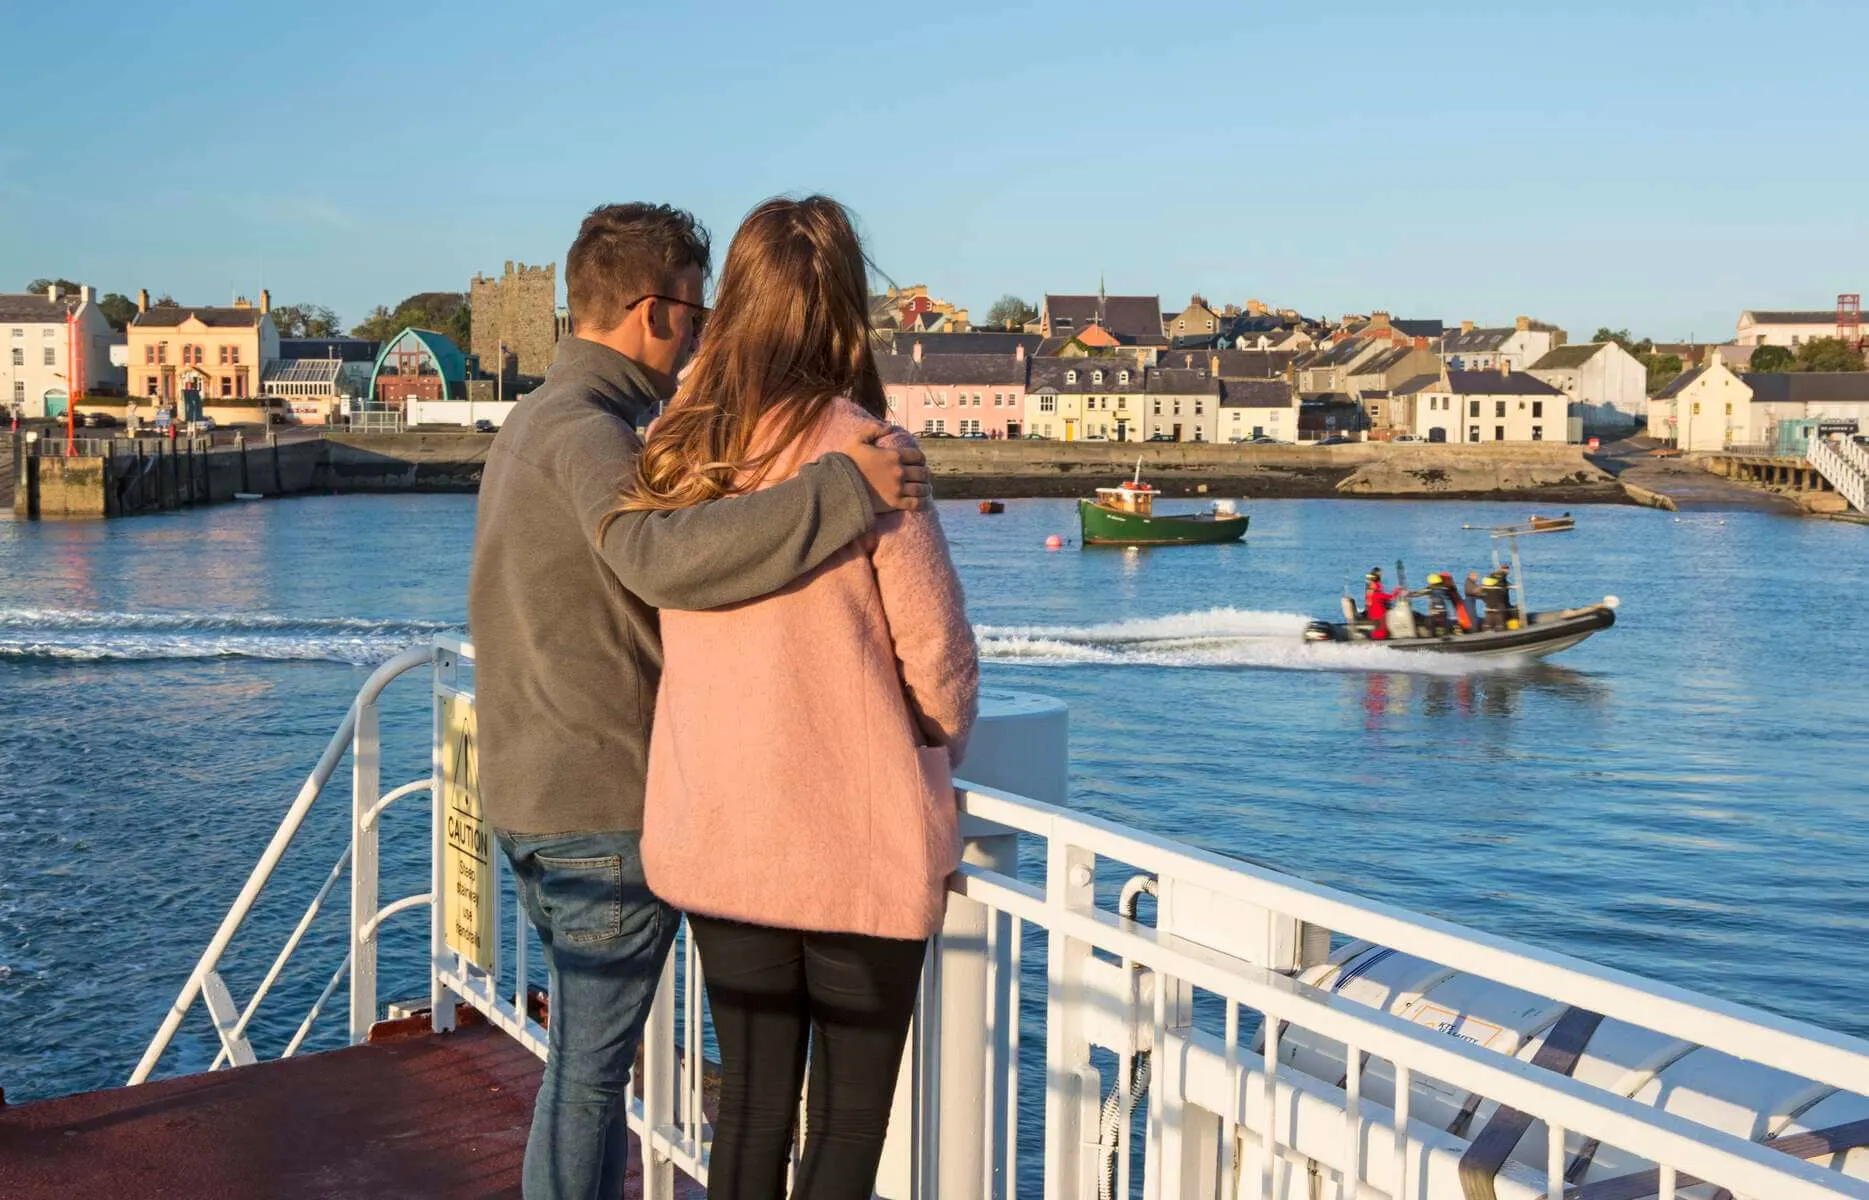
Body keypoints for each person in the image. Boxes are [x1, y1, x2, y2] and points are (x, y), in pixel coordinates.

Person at [468, 202, 933, 1200]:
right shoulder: (592, 432)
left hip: (526, 789)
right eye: (694, 311)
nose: (703, 334)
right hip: (598, 802)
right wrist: (845, 489)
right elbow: (656, 555)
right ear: (653, 310)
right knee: (592, 1074)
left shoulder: (532, 422)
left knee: (605, 1070)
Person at [622, 195, 980, 1200]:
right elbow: (939, 664)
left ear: (734, 302)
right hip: (853, 842)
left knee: (750, 1111)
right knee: (848, 1127)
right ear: (844, 309)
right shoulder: (870, 452)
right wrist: (937, 748)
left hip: (722, 834)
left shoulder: (675, 454)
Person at [1363, 567, 1401, 640]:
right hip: (1379, 616)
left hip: (1374, 614)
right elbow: (1390, 597)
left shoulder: (1370, 592)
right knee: (1381, 630)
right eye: (1379, 575)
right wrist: (1397, 590)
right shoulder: (1376, 593)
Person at [1479, 564, 1512, 631]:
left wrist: (1509, 585)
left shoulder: (1493, 575)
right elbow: (1502, 584)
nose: (1507, 571)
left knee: (1491, 611)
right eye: (1506, 569)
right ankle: (1500, 627)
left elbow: (1504, 583)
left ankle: (1488, 627)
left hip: (1489, 598)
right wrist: (1506, 587)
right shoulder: (1501, 575)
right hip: (1498, 599)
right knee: (1500, 610)